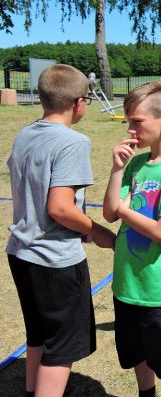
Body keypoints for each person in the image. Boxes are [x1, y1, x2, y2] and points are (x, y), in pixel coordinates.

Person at [7, 64, 116, 397]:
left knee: (39, 334)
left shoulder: (25, 134)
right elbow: (60, 208)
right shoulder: (72, 142)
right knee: (62, 347)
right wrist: (98, 232)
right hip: (54, 261)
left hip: (21, 254)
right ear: (79, 102)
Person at [103, 82, 161, 397]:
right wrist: (117, 169)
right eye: (128, 122)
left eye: (137, 122)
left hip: (155, 289)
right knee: (136, 351)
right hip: (126, 283)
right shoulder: (137, 164)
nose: (130, 130)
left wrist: (124, 210)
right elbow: (109, 214)